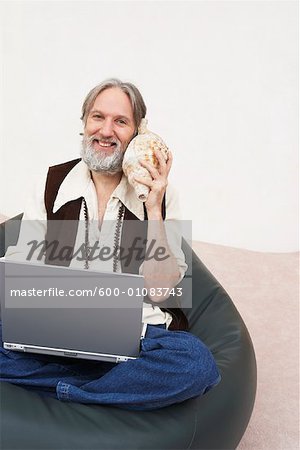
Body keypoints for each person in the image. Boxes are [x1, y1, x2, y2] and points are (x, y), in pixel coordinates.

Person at [0, 78, 221, 410]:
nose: (106, 130)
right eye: (97, 117)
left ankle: (65, 390)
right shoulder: (49, 183)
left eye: (120, 121)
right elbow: (20, 276)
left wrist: (152, 204)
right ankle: (100, 391)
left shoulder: (162, 196)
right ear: (84, 123)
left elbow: (160, 291)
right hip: (56, 333)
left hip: (136, 340)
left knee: (196, 363)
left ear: (138, 132)